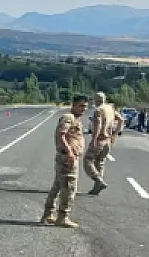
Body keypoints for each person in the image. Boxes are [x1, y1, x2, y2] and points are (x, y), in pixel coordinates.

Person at [41, 94, 88, 228]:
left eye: (85, 107)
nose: (83, 109)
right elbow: (61, 135)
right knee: (68, 188)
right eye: (81, 106)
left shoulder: (76, 119)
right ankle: (62, 217)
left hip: (66, 157)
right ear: (73, 105)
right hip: (67, 158)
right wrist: (70, 153)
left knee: (57, 186)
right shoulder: (69, 117)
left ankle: (48, 214)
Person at [84, 92, 116, 196]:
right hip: (108, 140)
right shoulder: (110, 108)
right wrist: (114, 134)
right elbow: (120, 120)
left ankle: (98, 180)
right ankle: (96, 188)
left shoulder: (99, 110)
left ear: (95, 100)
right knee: (100, 163)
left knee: (88, 160)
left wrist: (94, 139)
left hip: (100, 139)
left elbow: (98, 124)